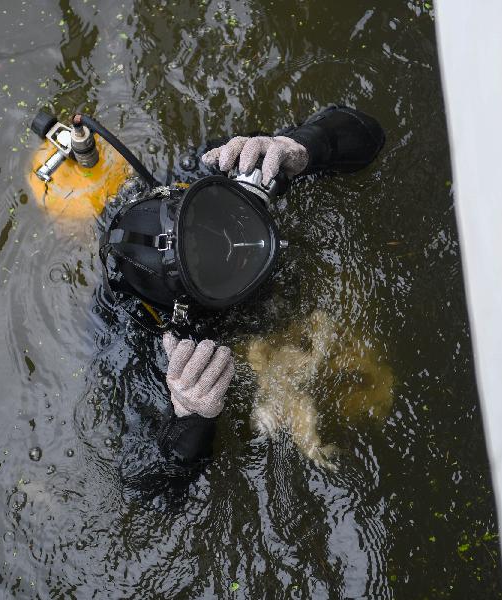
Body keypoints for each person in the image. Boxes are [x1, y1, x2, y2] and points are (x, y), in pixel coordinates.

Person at [104, 105, 385, 490]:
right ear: (184, 307)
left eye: (225, 220)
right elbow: (138, 483)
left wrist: (299, 148)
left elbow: (368, 134)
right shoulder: (135, 334)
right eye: (216, 270)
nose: (241, 249)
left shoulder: (220, 171)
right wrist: (188, 420)